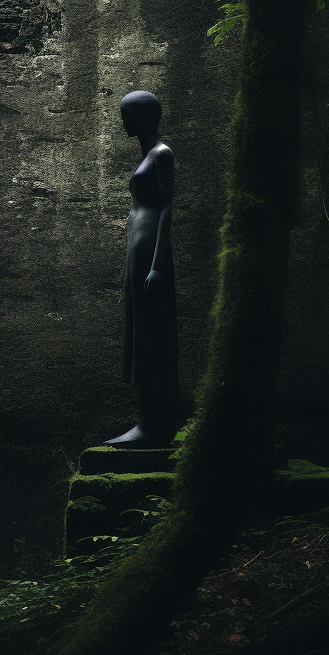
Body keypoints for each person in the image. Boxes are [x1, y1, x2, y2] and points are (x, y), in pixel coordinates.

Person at [104, 90, 180, 448]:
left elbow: (166, 209)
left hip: (150, 252)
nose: (124, 122)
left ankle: (155, 425)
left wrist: (156, 266)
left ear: (147, 116)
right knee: (139, 334)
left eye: (129, 114)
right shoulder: (146, 155)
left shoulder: (162, 154)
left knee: (152, 336)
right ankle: (148, 421)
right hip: (139, 252)